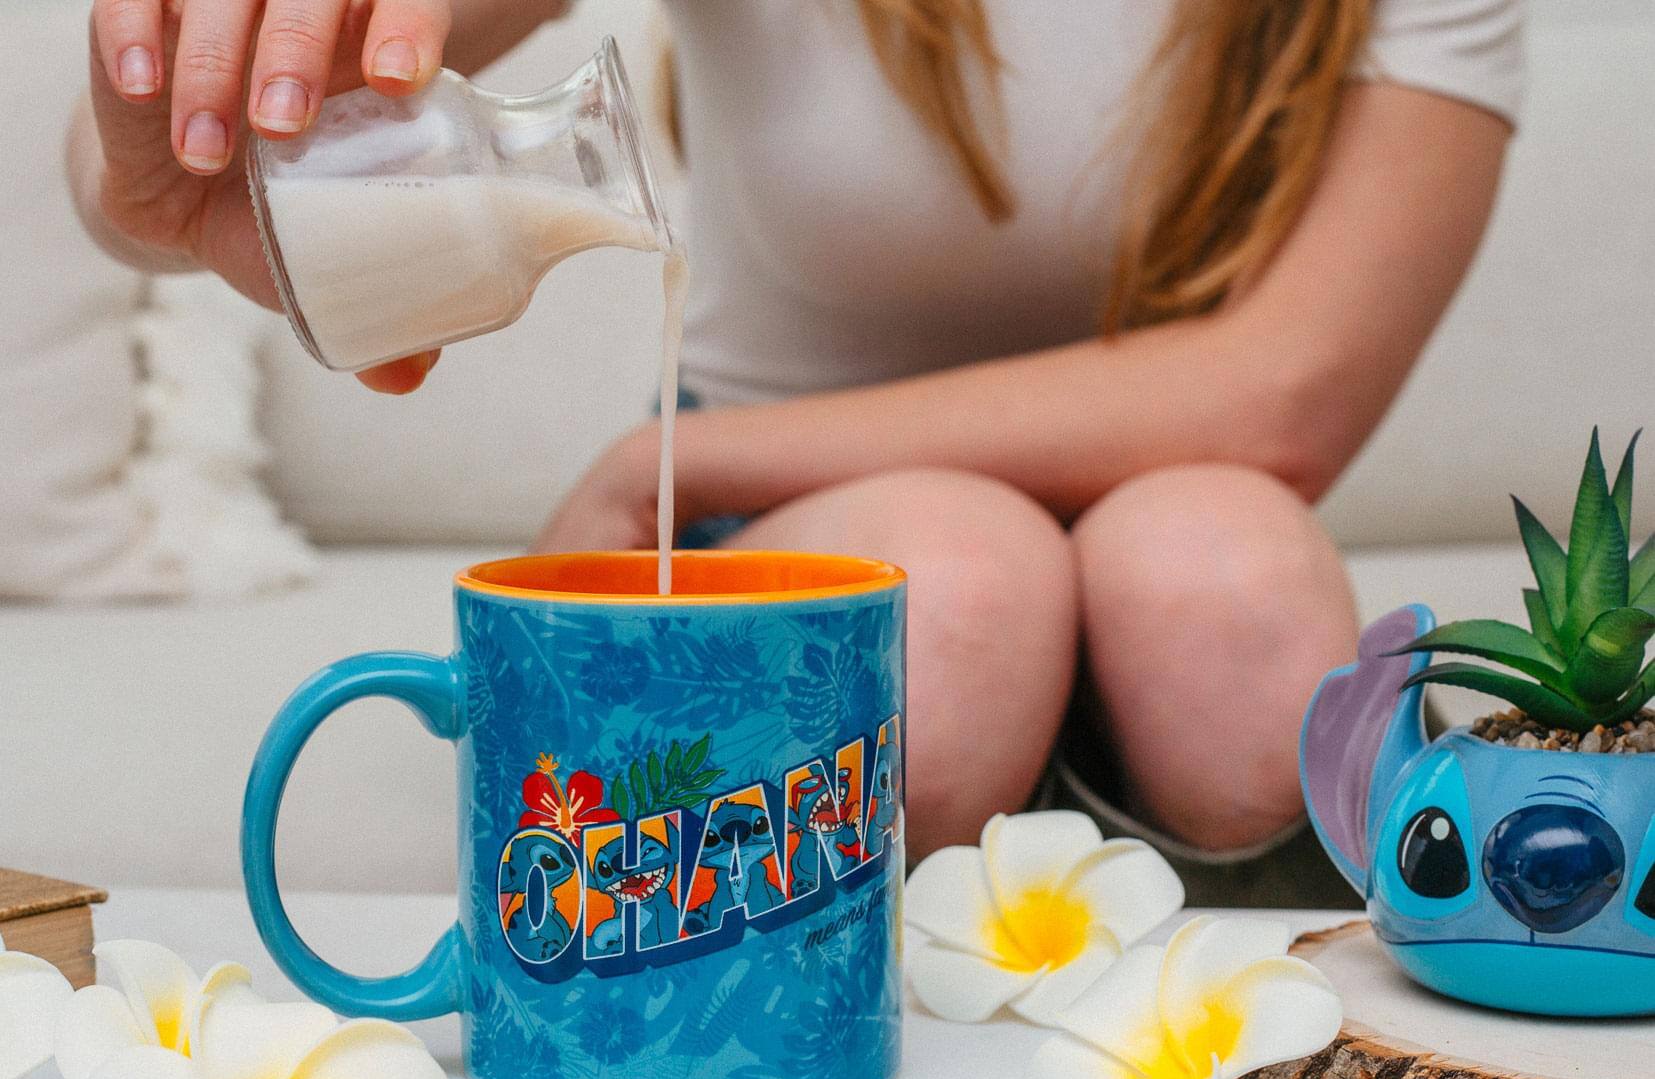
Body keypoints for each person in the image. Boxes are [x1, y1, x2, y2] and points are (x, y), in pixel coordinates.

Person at [71, 0, 1522, 891]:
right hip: (822, 553)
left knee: (1230, 586)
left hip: (914, 499)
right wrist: (157, 141)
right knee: (951, 599)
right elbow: (314, 53)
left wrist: (677, 467)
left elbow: (1284, 393)